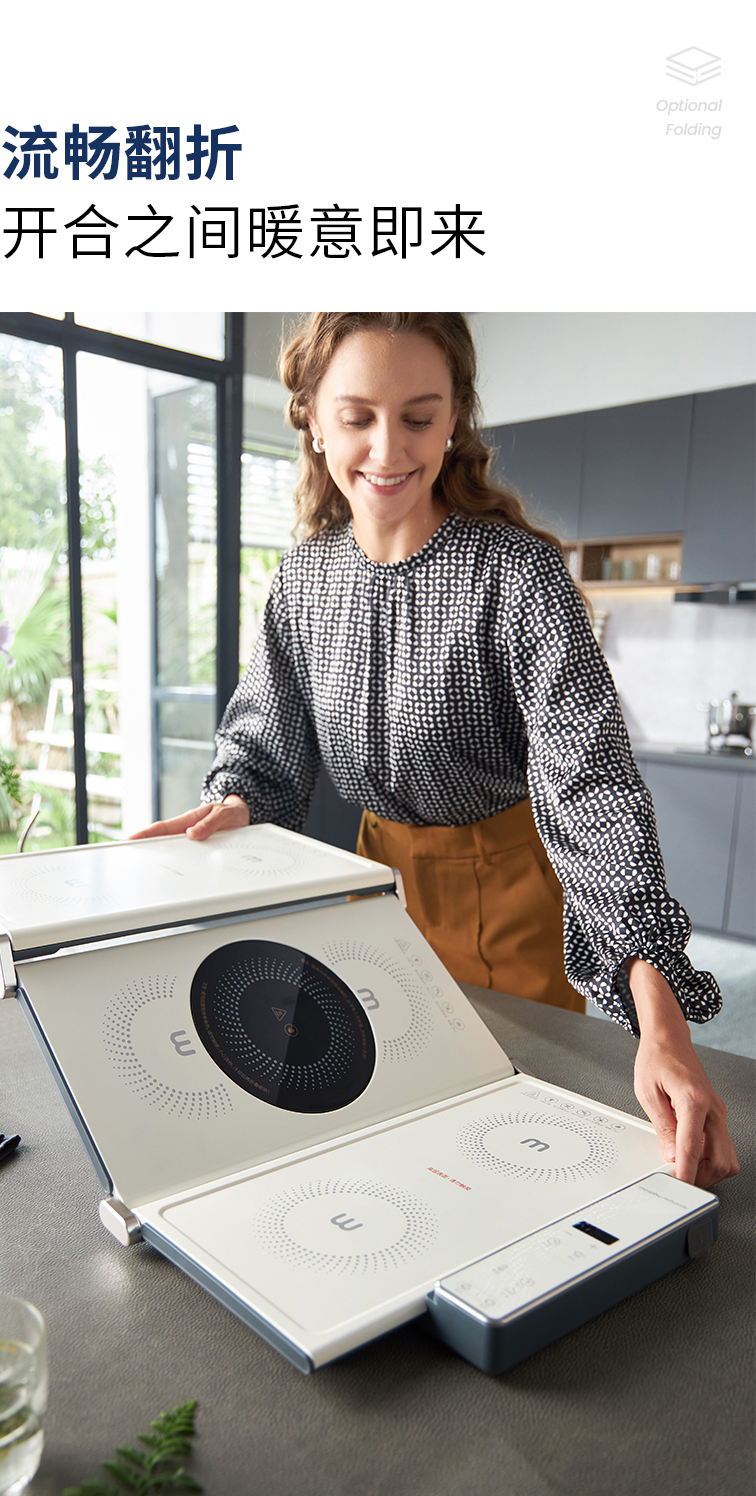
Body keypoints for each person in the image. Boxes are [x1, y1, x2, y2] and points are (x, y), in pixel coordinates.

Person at [132, 312, 739, 1191]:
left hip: (510, 894)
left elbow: (592, 787)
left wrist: (659, 1016)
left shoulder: (517, 576)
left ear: (455, 419)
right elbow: (265, 746)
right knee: (381, 1127)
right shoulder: (302, 581)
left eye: (418, 417)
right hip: (371, 895)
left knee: (514, 1142)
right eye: (358, 417)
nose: (388, 449)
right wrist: (234, 802)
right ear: (312, 420)